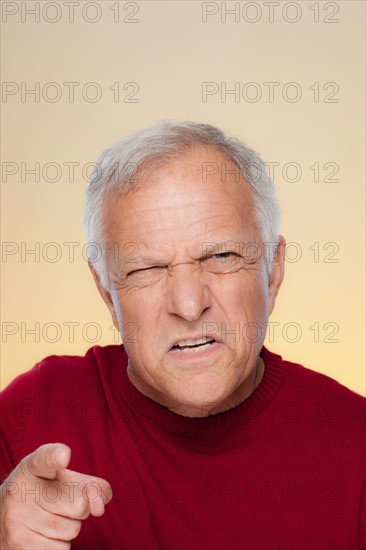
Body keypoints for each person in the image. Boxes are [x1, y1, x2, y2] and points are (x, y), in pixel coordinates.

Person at [0, 121, 365, 550]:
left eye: (221, 256)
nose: (189, 306)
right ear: (106, 291)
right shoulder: (31, 413)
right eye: (146, 269)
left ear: (273, 270)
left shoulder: (355, 445)